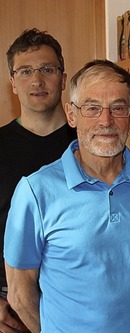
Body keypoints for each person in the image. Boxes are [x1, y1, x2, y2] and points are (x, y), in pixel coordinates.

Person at [4, 60, 130, 332]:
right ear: (72, 115)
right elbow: (20, 292)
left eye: (118, 108)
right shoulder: (36, 191)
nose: (106, 121)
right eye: (92, 108)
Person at [0, 28, 76, 333]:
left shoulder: (89, 144)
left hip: (79, 301)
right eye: (26, 71)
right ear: (12, 82)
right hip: (9, 311)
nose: (37, 80)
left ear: (63, 76)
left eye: (47, 69)